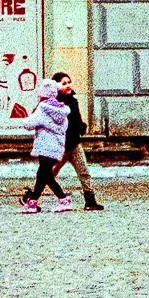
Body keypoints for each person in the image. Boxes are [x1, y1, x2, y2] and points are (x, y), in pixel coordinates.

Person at [53, 71, 104, 210]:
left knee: (84, 171)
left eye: (69, 82)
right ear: (55, 86)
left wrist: (81, 126)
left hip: (74, 142)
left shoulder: (72, 98)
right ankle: (31, 196)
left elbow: (76, 117)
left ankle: (90, 201)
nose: (68, 85)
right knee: (50, 173)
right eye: (64, 83)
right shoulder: (53, 102)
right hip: (61, 144)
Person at [19, 78, 71, 212]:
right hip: (56, 147)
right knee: (42, 174)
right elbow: (64, 127)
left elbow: (29, 124)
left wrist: (23, 118)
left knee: (46, 175)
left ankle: (64, 200)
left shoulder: (42, 108)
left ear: (43, 94)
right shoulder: (62, 110)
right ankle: (33, 203)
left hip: (45, 146)